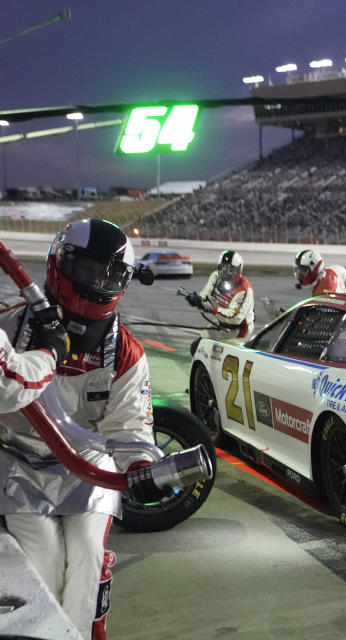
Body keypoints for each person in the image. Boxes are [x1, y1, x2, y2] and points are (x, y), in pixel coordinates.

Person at [0, 218, 158, 640]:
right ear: (59, 265)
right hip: (16, 461)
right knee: (40, 561)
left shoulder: (125, 353)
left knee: (88, 556)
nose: (99, 283)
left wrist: (142, 463)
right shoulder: (10, 327)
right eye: (89, 270)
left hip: (87, 464)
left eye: (111, 274)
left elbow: (130, 427)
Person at [186, 249, 255, 339]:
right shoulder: (215, 276)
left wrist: (211, 309)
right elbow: (207, 295)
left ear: (239, 269)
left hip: (239, 330)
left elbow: (234, 317)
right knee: (197, 346)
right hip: (221, 323)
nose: (225, 273)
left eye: (231, 269)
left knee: (221, 352)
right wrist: (197, 300)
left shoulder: (244, 290)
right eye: (222, 268)